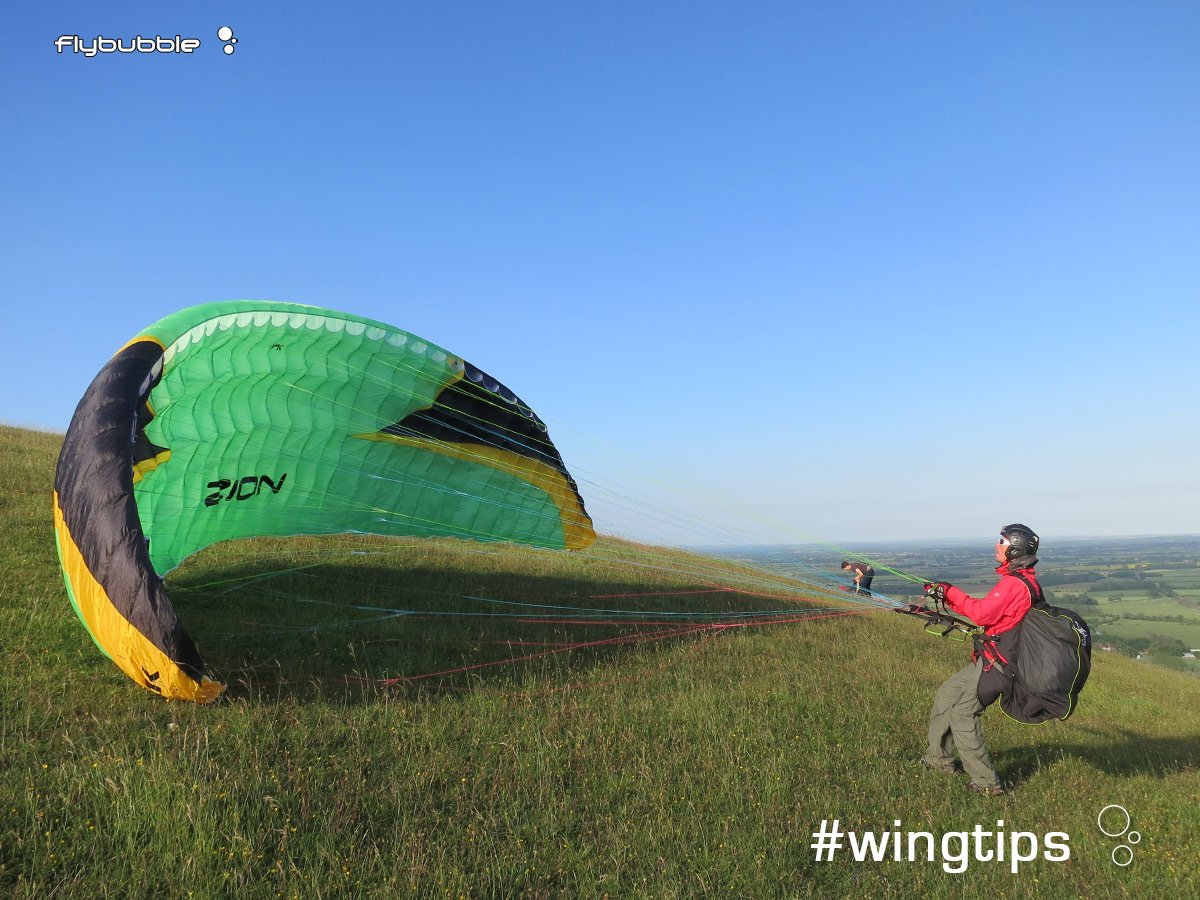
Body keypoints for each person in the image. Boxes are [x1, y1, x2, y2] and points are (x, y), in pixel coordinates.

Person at [921, 524, 1041, 796]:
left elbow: (981, 614)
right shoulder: (1020, 580)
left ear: (1015, 548)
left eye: (1002, 542)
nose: (997, 546)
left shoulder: (1015, 584)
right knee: (947, 694)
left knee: (963, 714)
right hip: (991, 657)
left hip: (1000, 664)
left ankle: (988, 783)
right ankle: (938, 760)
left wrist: (949, 592)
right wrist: (946, 594)